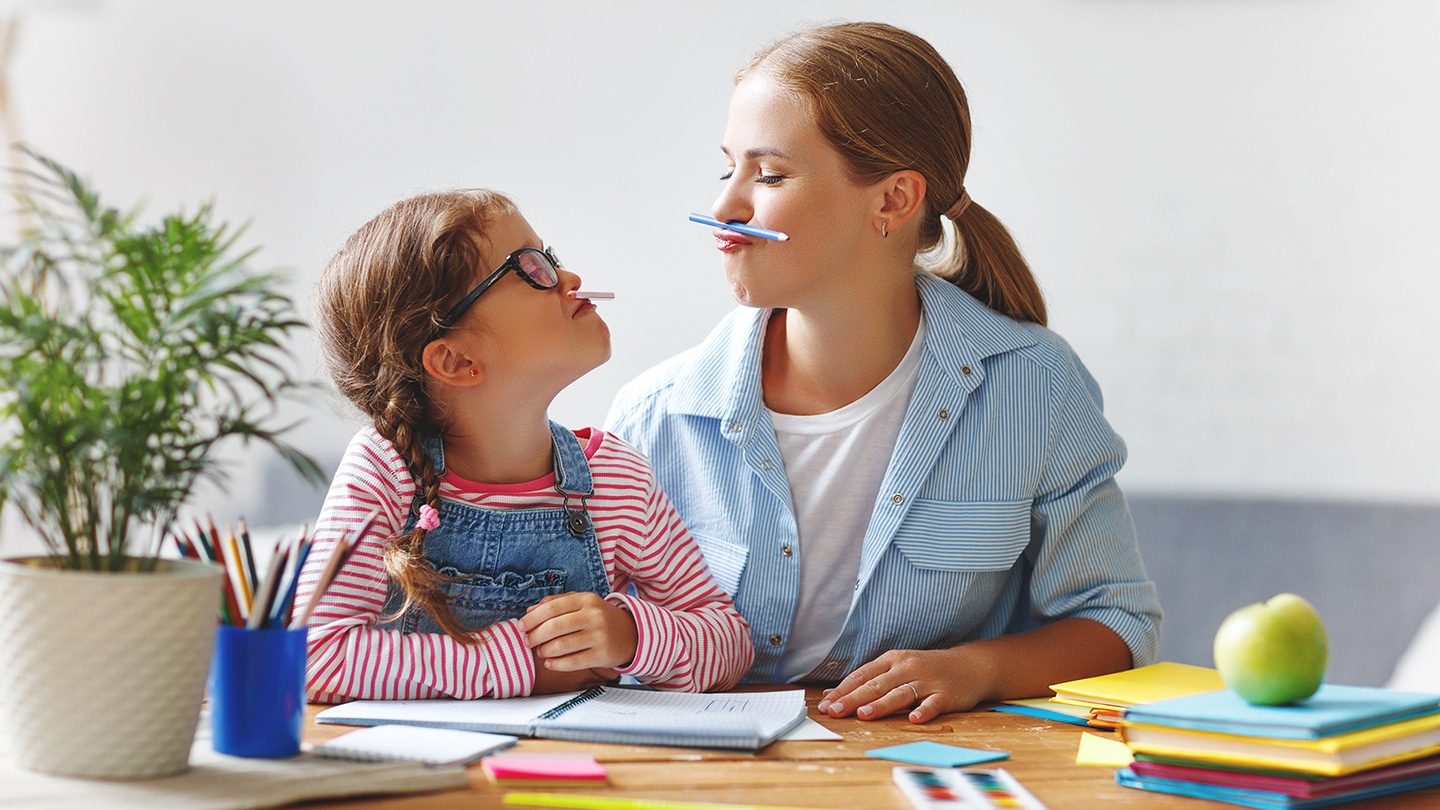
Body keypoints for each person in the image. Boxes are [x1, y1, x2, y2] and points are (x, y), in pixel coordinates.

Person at [606, 22, 1162, 724]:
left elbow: (1117, 623)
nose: (725, 208)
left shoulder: (1036, 387)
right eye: (728, 170)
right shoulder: (653, 417)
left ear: (894, 200)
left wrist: (979, 669)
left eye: (769, 175)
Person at [300, 189, 753, 703]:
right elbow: (314, 656)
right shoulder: (384, 471)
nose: (569, 278)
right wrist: (520, 665)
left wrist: (632, 637)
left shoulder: (615, 479)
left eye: (549, 257)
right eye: (531, 268)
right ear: (455, 361)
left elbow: (728, 643)